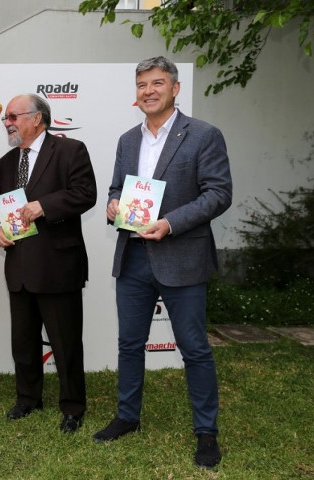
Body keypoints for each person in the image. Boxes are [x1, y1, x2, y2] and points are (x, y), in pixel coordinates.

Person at [95, 56, 232, 469]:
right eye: (141, 85)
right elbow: (116, 187)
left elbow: (218, 194)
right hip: (134, 256)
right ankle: (127, 416)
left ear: (175, 88)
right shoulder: (127, 140)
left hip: (182, 256)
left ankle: (206, 432)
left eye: (157, 83)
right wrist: (113, 204)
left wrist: (170, 223)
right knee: (129, 344)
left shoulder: (204, 135)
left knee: (194, 349)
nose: (148, 90)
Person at [0, 94, 97, 433]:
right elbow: (3, 209)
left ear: (36, 118)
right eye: (6, 118)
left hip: (58, 266)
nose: (7, 122)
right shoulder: (6, 162)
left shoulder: (70, 151)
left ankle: (72, 407)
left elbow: (86, 194)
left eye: (12, 116)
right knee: (22, 342)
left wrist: (44, 205)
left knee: (65, 343)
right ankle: (28, 398)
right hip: (19, 266)